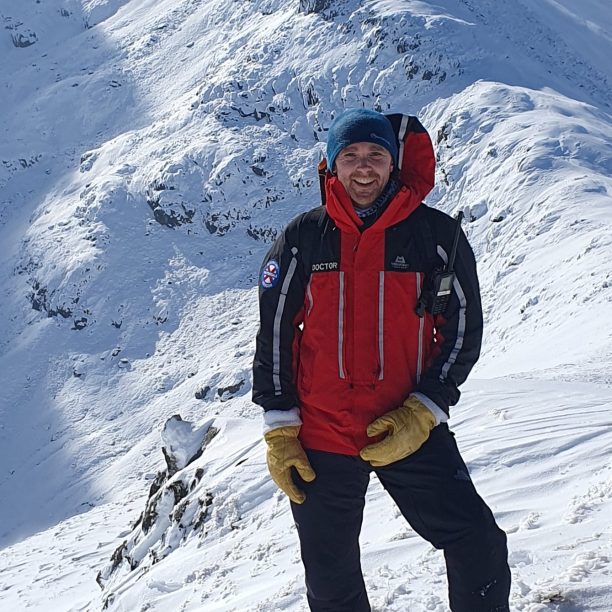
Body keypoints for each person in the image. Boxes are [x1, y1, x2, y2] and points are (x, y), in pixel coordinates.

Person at [252, 108, 511, 612]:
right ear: (331, 165)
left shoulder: (437, 238)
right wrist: (280, 427)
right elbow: (276, 333)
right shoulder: (303, 239)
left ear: (394, 164)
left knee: (477, 542)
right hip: (322, 434)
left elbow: (462, 331)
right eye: (350, 156)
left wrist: (426, 409)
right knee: (331, 579)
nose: (364, 167)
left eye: (376, 155)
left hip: (406, 425)